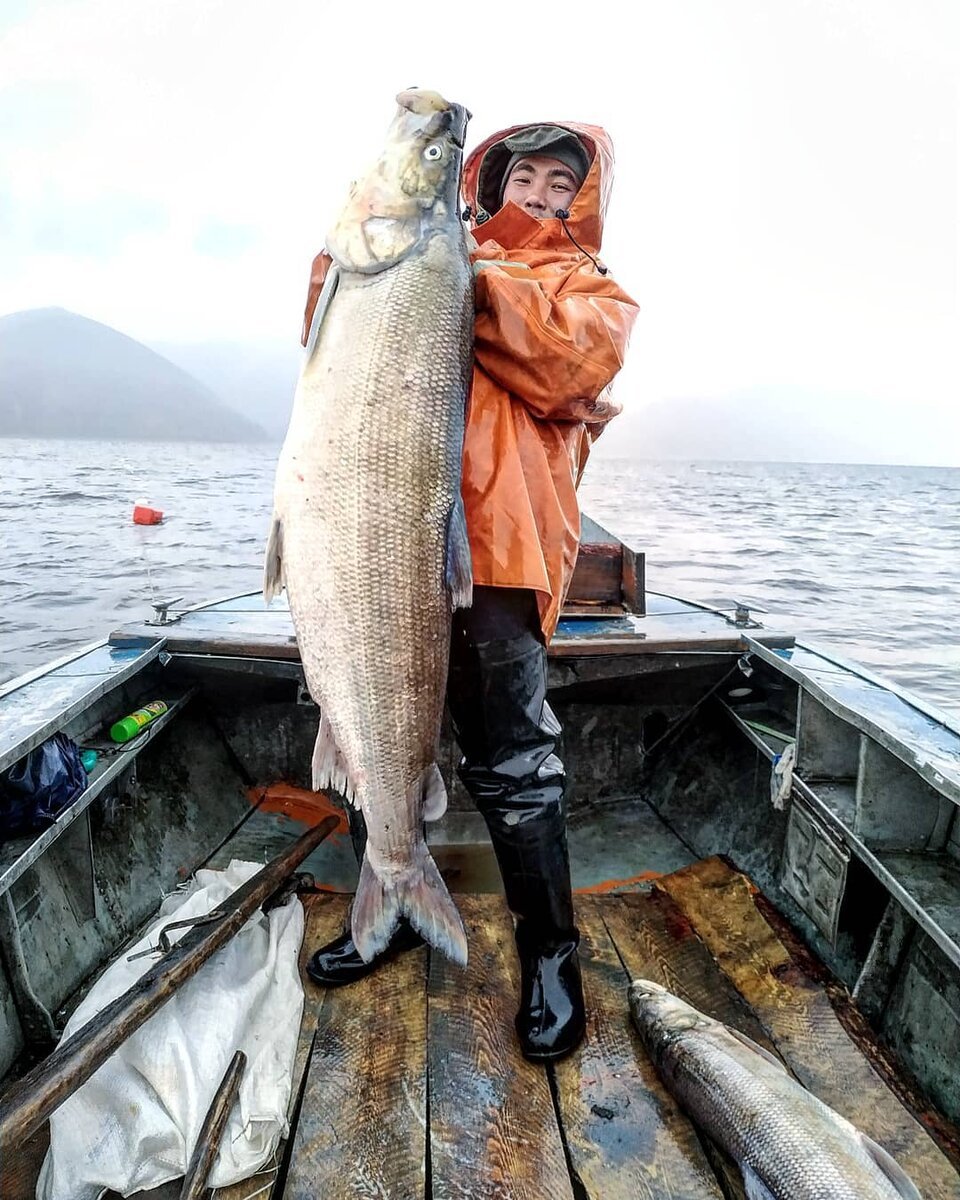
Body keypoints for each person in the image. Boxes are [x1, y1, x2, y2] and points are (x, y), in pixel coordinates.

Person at [300, 120, 639, 1062]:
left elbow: (570, 363)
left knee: (515, 764)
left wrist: (459, 275)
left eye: (561, 182)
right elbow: (319, 330)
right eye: (524, 174)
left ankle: (551, 957)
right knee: (370, 716)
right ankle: (392, 903)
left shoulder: (589, 291)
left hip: (501, 552)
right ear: (491, 183)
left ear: (585, 201)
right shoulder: (424, 254)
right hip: (375, 538)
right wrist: (377, 250)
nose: (540, 192)